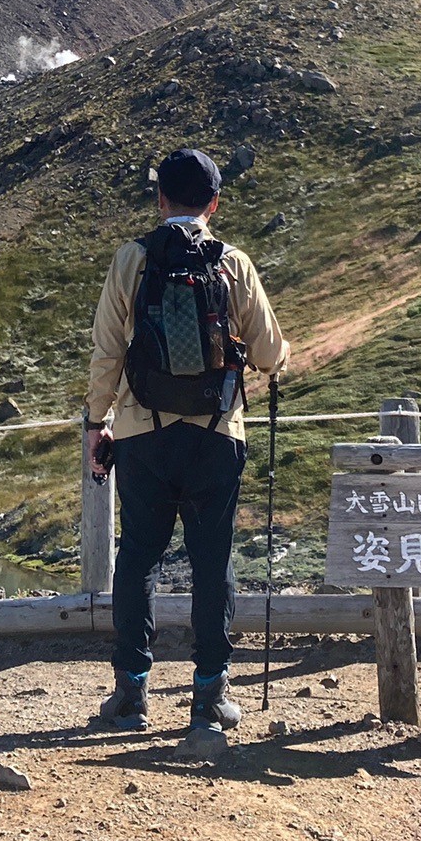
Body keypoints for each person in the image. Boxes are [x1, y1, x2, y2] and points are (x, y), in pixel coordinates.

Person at [84, 146, 289, 745]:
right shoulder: (234, 263)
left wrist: (98, 423)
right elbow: (274, 355)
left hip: (141, 435)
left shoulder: (131, 259)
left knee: (139, 558)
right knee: (211, 561)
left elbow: (106, 353)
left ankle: (130, 694)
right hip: (216, 434)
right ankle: (209, 696)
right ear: (215, 205)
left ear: (160, 199)